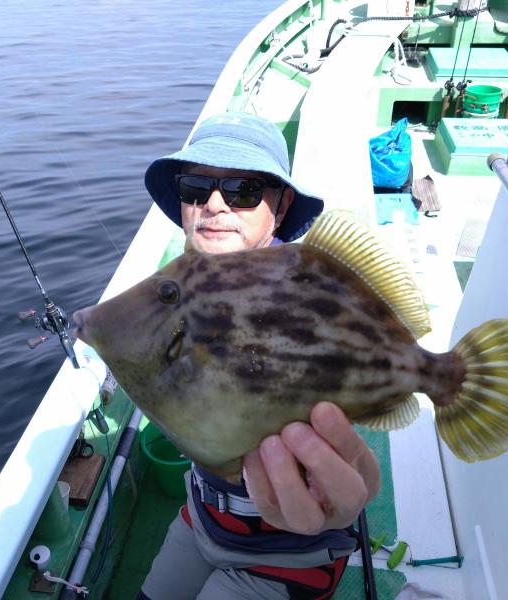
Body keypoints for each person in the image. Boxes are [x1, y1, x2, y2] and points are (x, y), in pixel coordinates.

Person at [139, 111, 381, 599]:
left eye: (243, 190)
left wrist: (354, 489)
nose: (213, 205)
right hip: (203, 520)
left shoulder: (306, 299)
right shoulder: (180, 287)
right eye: (194, 187)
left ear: (281, 203)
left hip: (290, 554)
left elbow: (339, 439)